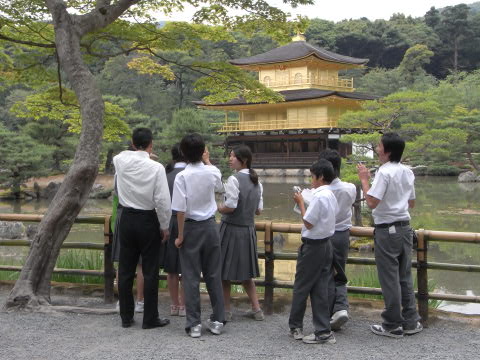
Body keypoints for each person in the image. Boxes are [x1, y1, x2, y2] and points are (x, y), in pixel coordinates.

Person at [357, 132, 423, 338]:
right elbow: (411, 203)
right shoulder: (408, 171)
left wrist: (364, 180)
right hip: (405, 227)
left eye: (378, 146)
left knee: (389, 279)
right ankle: (411, 321)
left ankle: (392, 324)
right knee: (404, 276)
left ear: (387, 150)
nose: (377, 149)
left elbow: (371, 202)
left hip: (388, 230)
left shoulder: (384, 173)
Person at [113, 128, 171, 329]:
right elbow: (162, 200)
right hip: (148, 219)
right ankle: (150, 318)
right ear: (151, 144)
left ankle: (126, 317)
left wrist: (141, 152)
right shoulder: (156, 168)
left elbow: (121, 155)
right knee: (150, 270)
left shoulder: (120, 161)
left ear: (131, 142)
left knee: (126, 269)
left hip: (127, 217)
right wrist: (165, 226)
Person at [172, 134, 225, 338]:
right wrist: (208, 161)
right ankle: (218, 320)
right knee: (213, 275)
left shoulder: (182, 176)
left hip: (191, 228)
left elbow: (180, 210)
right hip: (211, 226)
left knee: (191, 277)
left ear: (183, 153)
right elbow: (220, 186)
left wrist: (180, 235)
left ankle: (194, 324)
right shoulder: (212, 171)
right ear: (203, 151)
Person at [288, 159, 338, 345]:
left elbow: (308, 222)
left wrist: (301, 202)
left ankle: (295, 326)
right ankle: (323, 330)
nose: (311, 180)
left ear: (321, 176)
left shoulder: (319, 196)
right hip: (326, 245)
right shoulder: (330, 194)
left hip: (313, 246)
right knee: (320, 288)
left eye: (312, 176)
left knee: (301, 286)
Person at [217, 145, 264, 322]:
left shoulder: (234, 179)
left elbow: (230, 206)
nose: (230, 159)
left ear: (242, 160)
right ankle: (257, 309)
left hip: (230, 229)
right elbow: (259, 210)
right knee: (246, 273)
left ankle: (226, 310)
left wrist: (218, 207)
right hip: (248, 230)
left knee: (224, 271)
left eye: (233, 156)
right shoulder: (257, 181)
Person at [318, 150, 356, 330]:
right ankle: (340, 308)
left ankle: (328, 312)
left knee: (324, 273)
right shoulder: (350, 188)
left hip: (324, 235)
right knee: (339, 273)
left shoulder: (320, 191)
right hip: (342, 235)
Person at [111, 145, 145, 314]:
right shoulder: (148, 168)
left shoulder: (119, 171)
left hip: (123, 216)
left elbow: (116, 193)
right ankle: (140, 301)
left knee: (123, 264)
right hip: (144, 217)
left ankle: (122, 302)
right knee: (141, 265)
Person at [164, 143, 186, 317]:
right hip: (190, 223)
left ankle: (174, 305)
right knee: (187, 267)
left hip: (170, 222)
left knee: (171, 268)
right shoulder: (190, 174)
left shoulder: (166, 174)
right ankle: (185, 305)